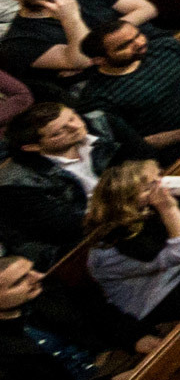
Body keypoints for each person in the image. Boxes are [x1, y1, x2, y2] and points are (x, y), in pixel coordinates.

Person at [0, 100, 152, 264]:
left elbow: (146, 159)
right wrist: (130, 203)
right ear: (32, 147)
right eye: (58, 133)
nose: (76, 127)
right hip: (88, 243)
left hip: (136, 206)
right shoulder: (15, 183)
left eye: (72, 118)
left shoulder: (102, 123)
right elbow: (68, 227)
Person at [84, 160, 180, 330]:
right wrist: (168, 209)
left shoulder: (159, 203)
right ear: (126, 202)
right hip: (157, 299)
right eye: (149, 187)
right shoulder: (109, 248)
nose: (162, 187)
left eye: (159, 177)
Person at [71, 21, 180, 157]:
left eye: (138, 35)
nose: (140, 43)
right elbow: (141, 143)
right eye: (125, 45)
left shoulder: (166, 47)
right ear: (100, 60)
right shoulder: (96, 97)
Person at [0, 0, 158, 83]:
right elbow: (81, 60)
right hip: (113, 79)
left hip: (151, 47)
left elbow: (146, 9)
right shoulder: (18, 40)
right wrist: (71, 18)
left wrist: (96, 50)